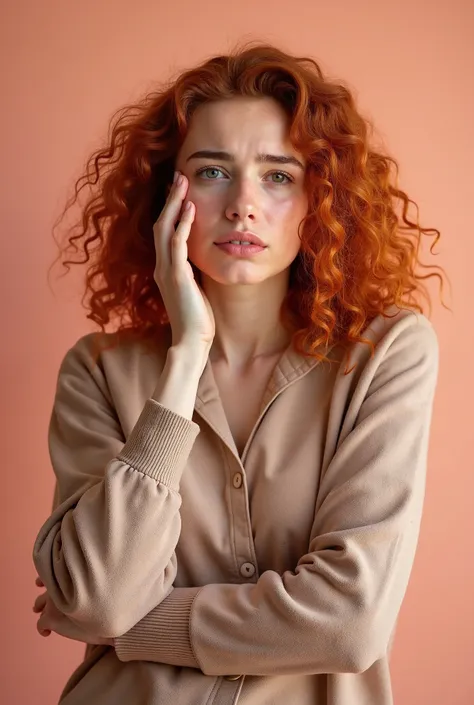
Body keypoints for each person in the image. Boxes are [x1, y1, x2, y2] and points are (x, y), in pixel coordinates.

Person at [32, 42, 447, 705]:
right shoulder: (98, 370)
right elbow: (100, 594)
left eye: (279, 175)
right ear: (169, 191)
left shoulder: (384, 354)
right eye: (212, 171)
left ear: (322, 196)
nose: (244, 204)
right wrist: (186, 354)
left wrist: (135, 627)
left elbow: (349, 621)